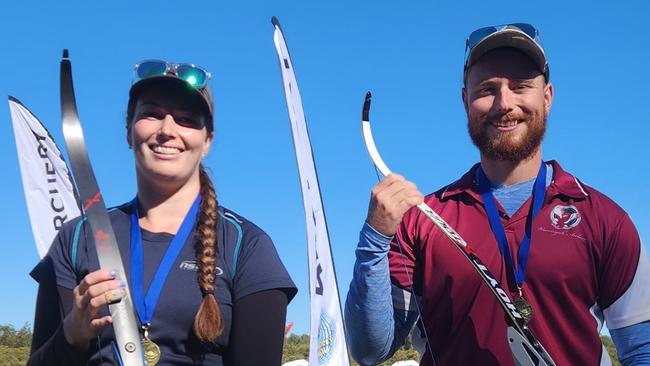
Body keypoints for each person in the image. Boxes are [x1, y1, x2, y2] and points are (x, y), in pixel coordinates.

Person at [346, 23, 650, 365]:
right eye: (487, 89)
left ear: (547, 97)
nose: (505, 104)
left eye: (521, 86)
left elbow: (642, 349)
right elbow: (370, 350)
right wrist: (374, 237)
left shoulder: (604, 219)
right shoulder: (421, 220)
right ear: (465, 100)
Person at [28, 60, 297, 365]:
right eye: (152, 114)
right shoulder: (77, 238)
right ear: (129, 132)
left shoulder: (246, 245)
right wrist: (72, 335)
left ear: (207, 140)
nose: (167, 130)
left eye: (185, 119)